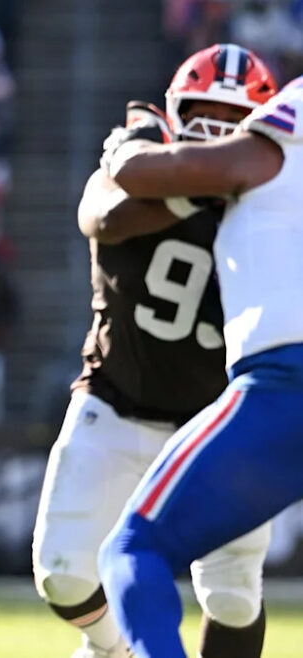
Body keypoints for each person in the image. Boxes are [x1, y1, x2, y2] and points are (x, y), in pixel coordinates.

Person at [33, 44, 279, 658]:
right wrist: (193, 190)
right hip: (118, 401)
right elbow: (103, 217)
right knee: (62, 575)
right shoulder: (130, 171)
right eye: (202, 114)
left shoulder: (274, 206)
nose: (215, 133)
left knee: (232, 595)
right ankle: (116, 648)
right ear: (176, 113)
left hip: (221, 420)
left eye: (232, 120)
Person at [95, 61, 303, 658]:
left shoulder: (282, 131)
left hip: (285, 383)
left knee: (133, 550)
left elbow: (147, 174)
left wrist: (129, 147)